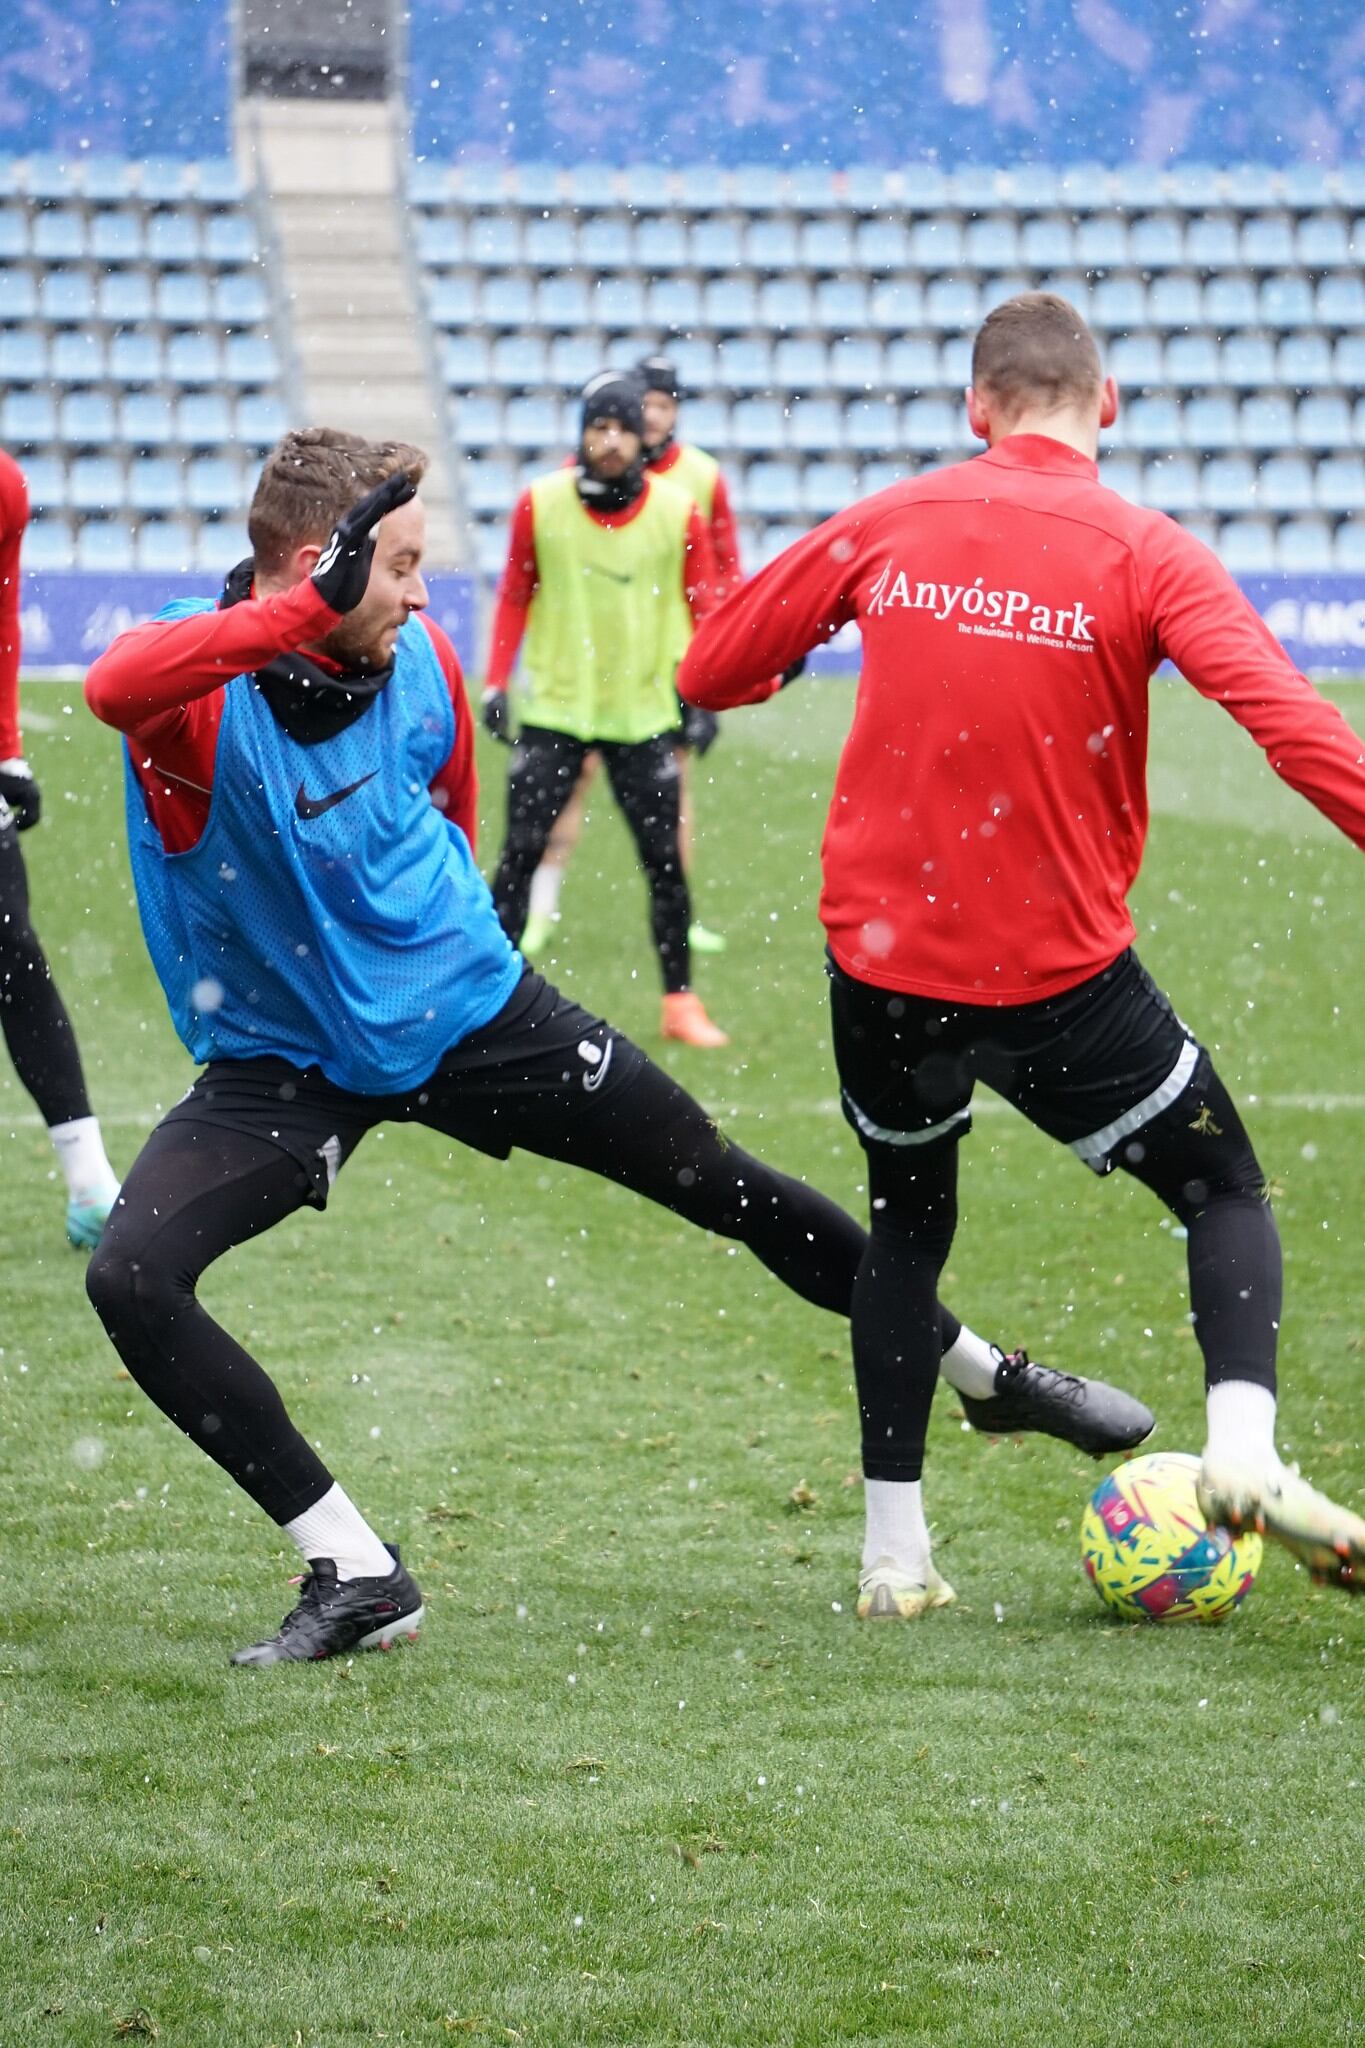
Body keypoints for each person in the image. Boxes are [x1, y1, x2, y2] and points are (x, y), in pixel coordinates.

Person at [81, 424, 1152, 1668]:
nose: (426, 594)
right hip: (286, 1059)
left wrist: (445, 955)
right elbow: (116, 686)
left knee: (732, 1190)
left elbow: (440, 804)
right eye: (402, 564)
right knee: (132, 1276)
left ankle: (982, 1373)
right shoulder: (194, 693)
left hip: (471, 1012)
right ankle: (357, 1567)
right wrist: (296, 617)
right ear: (319, 567)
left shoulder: (416, 654)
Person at [679, 290, 1365, 1618]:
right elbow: (1286, 725)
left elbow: (713, 672)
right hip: (1057, 981)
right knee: (1221, 1187)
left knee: (906, 1231)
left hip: (883, 968)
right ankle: (1237, 1452)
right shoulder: (1144, 548)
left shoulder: (892, 520)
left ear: (974, 408)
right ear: (1104, 405)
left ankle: (893, 1560)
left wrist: (821, 612)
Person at [482, 371, 728, 1047]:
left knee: (664, 867)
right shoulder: (540, 502)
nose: (611, 441)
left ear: (641, 437)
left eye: (622, 428)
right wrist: (496, 683)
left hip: (642, 713)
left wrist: (705, 696)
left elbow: (704, 604)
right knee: (517, 858)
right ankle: (489, 1000)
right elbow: (513, 593)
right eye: (599, 427)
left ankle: (680, 1004)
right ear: (583, 434)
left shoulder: (678, 511)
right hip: (557, 711)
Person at [0, 445, 120, 1248]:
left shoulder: (5, 487)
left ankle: (90, 1182)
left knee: (13, 954)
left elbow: (2, 617)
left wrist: (7, 746)